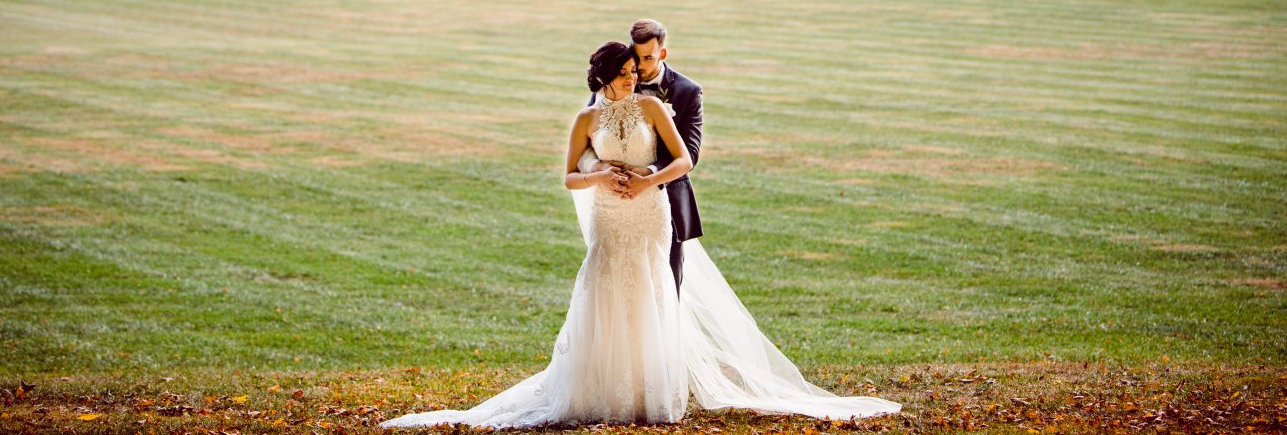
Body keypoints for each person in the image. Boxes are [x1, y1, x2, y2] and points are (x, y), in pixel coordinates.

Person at [382, 40, 900, 429]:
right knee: (606, 288)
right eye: (626, 74)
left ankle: (648, 393)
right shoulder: (586, 118)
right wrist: (600, 177)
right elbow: (568, 175)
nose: (635, 80)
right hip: (609, 211)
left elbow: (682, 159)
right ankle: (602, 392)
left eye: (636, 72)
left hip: (650, 209)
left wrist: (650, 179)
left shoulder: (654, 108)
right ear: (605, 77)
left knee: (650, 289)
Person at [583, 18, 701, 291]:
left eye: (648, 58)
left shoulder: (687, 92)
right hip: (614, 204)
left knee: (666, 288)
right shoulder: (616, 79)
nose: (640, 68)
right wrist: (598, 166)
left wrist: (647, 174)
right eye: (637, 57)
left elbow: (689, 154)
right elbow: (589, 137)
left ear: (663, 53)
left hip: (664, 200)